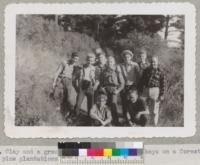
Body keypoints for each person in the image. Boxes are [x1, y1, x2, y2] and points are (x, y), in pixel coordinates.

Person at [138, 55, 165, 126]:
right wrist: (140, 90)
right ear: (150, 62)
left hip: (156, 90)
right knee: (141, 104)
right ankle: (142, 122)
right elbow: (142, 81)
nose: (153, 63)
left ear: (157, 62)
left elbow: (163, 84)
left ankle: (154, 124)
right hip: (146, 90)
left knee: (155, 110)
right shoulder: (146, 70)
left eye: (154, 62)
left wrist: (162, 94)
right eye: (151, 62)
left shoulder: (161, 71)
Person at [52, 52, 80, 118]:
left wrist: (77, 85)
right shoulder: (64, 63)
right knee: (56, 93)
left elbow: (77, 77)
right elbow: (57, 72)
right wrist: (54, 82)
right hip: (62, 79)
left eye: (77, 59)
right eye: (74, 58)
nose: (75, 60)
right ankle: (57, 107)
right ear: (72, 57)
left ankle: (68, 112)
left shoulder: (76, 66)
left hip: (69, 81)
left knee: (70, 98)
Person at [99, 56, 124, 126]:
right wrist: (102, 88)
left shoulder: (117, 71)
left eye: (111, 61)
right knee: (104, 105)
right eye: (108, 61)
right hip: (105, 90)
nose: (109, 63)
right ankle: (106, 121)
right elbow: (101, 82)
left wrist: (117, 91)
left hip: (114, 90)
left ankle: (116, 121)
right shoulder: (104, 71)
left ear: (114, 63)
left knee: (113, 104)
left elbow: (122, 83)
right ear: (106, 63)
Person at [119, 50, 140, 123]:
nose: (126, 58)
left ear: (131, 57)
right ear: (123, 58)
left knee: (133, 102)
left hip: (133, 86)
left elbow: (138, 76)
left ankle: (133, 118)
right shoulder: (120, 65)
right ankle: (125, 118)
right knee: (124, 102)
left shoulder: (135, 65)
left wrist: (136, 86)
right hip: (124, 86)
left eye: (128, 57)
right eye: (125, 57)